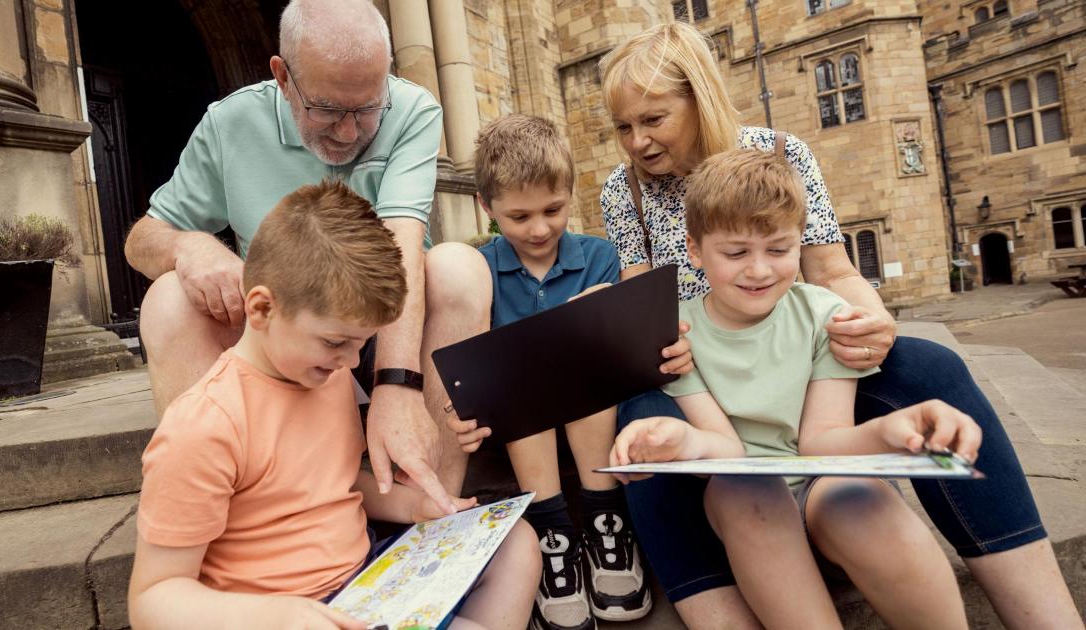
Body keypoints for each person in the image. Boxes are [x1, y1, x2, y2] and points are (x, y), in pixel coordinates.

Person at [597, 20, 1082, 629]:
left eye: (653, 120)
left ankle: (1047, 617)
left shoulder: (780, 152)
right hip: (696, 356)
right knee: (645, 421)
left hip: (790, 346)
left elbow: (831, 267)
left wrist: (870, 318)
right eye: (624, 127)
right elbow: (643, 296)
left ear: (699, 98)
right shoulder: (625, 189)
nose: (637, 142)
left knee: (932, 365)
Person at [127, 180, 540, 630]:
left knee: (517, 542)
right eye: (335, 342)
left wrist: (412, 508)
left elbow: (333, 487)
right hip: (276, 613)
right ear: (261, 309)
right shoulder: (202, 426)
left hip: (367, 584)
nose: (350, 361)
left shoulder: (329, 376)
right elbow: (153, 599)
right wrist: (273, 616)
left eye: (361, 345)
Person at [611, 148, 979, 629]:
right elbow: (726, 450)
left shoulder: (823, 315)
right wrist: (681, 441)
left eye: (779, 250)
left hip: (821, 491)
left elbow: (824, 442)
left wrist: (896, 429)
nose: (760, 270)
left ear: (799, 243)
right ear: (696, 250)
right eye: (737, 252)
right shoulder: (678, 333)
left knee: (859, 498)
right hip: (744, 507)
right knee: (745, 491)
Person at [124, 0, 463, 515]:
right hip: (282, 335)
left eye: (368, 108)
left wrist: (398, 386)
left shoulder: (413, 109)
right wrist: (188, 245)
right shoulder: (230, 123)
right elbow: (142, 238)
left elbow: (402, 241)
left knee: (461, 271)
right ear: (282, 77)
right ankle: (227, 514)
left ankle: (434, 511)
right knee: (169, 299)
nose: (349, 134)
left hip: (389, 323)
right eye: (326, 109)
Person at [443, 114, 650, 630]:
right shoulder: (479, 267)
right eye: (518, 217)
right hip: (519, 429)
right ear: (485, 208)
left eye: (553, 210)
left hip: (594, 422)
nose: (539, 229)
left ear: (569, 194)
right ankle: (554, 540)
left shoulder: (601, 256)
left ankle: (608, 525)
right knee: (526, 376)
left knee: (578, 366)